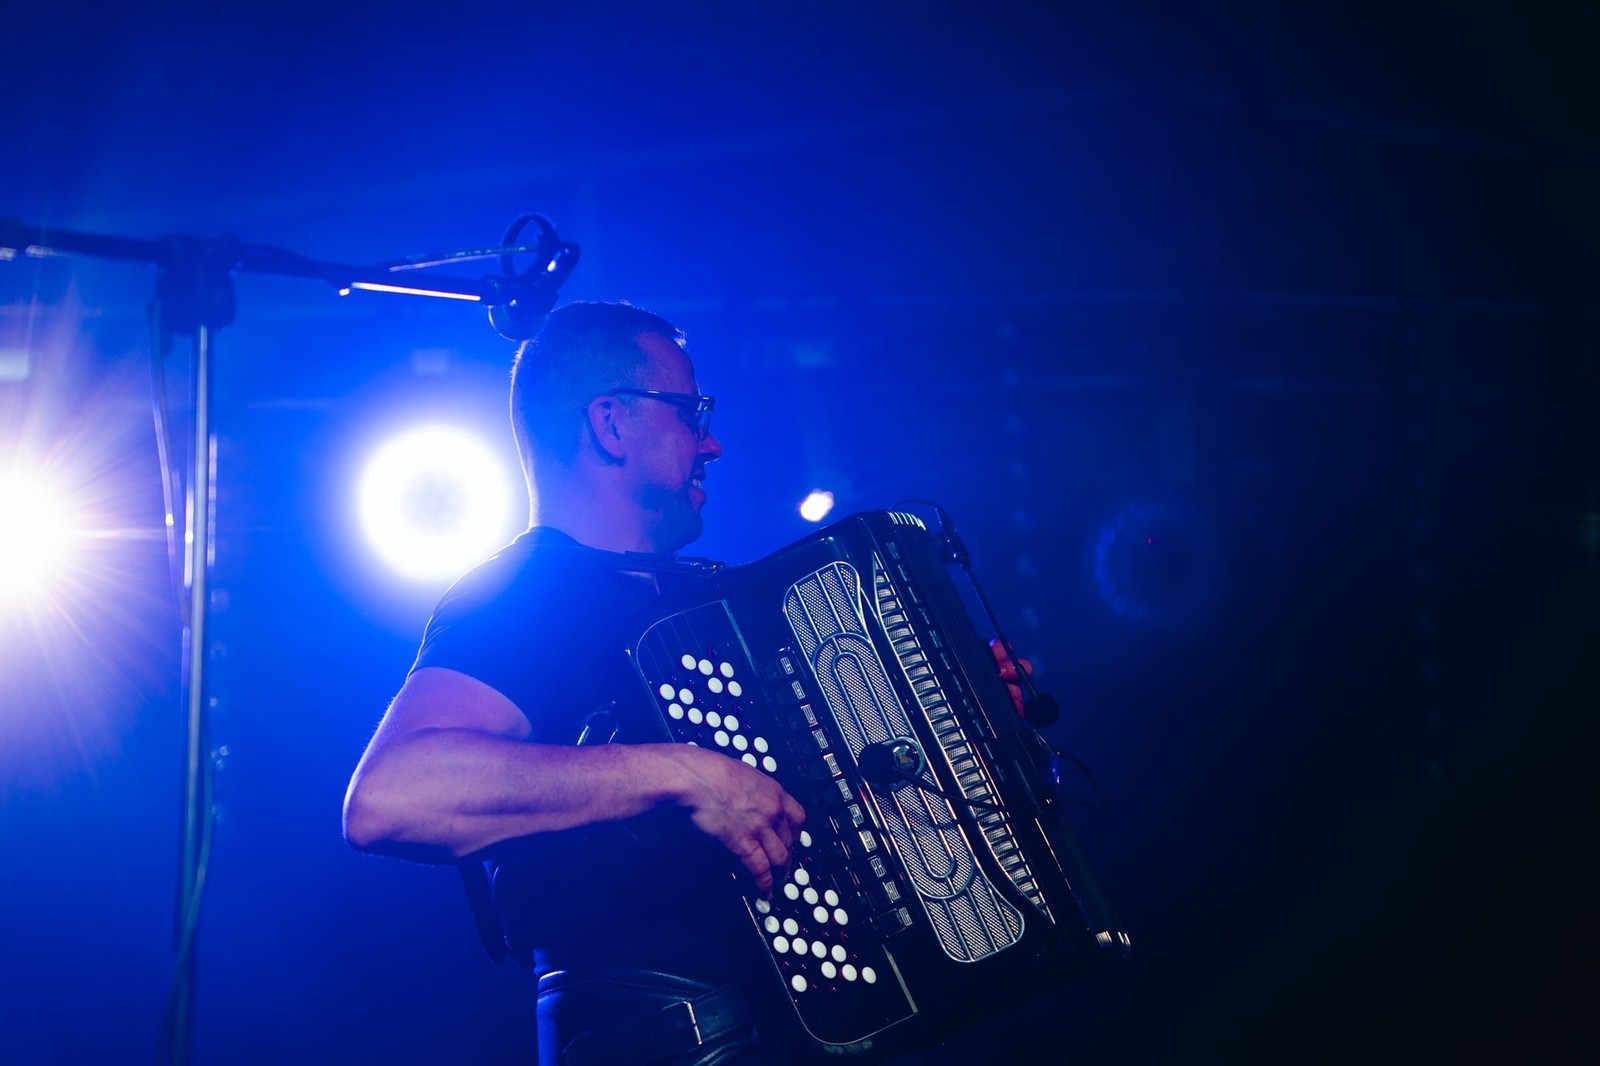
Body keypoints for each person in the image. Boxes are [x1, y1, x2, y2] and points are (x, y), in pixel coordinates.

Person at [343, 301, 1034, 1066]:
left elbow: (815, 822)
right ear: (610, 423)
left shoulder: (710, 603)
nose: (713, 442)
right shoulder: (524, 593)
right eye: (690, 412)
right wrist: (681, 774)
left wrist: (955, 733)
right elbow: (389, 798)